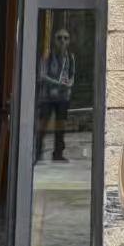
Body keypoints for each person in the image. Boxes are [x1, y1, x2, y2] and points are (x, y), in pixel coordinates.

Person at [36, 26, 75, 163]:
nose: (62, 41)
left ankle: (58, 154)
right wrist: (59, 84)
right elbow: (42, 75)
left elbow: (72, 75)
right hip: (47, 97)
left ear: (69, 41)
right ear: (54, 40)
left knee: (60, 127)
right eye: (59, 38)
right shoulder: (47, 55)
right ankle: (37, 153)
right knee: (42, 126)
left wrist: (69, 84)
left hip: (62, 97)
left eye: (65, 38)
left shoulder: (70, 57)